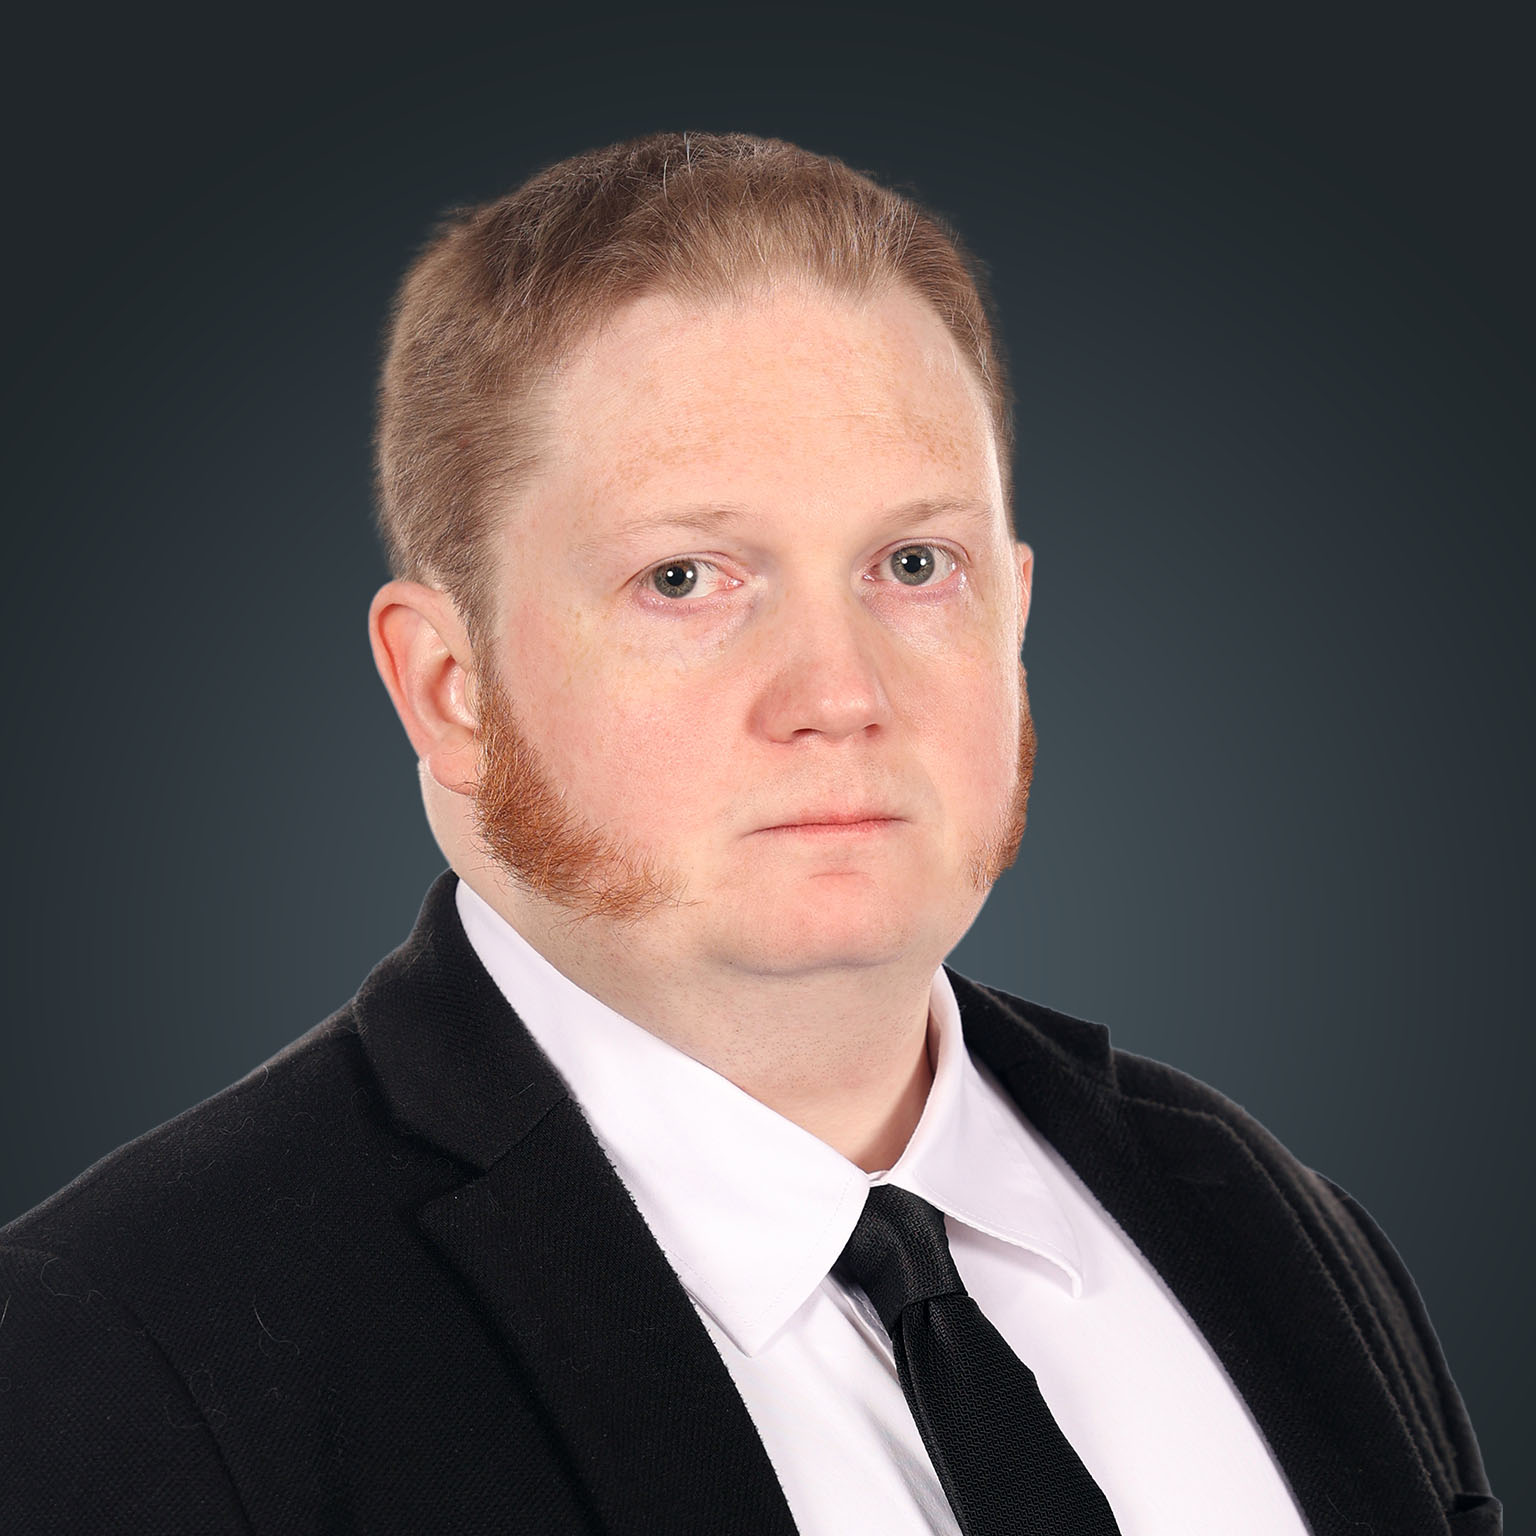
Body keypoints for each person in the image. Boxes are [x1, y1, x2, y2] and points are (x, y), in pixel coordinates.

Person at [0, 133, 1499, 1536]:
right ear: (450, 687)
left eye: (915, 564)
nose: (841, 694)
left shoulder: (1267, 1219)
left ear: (1017, 612)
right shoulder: (123, 1350)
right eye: (686, 579)